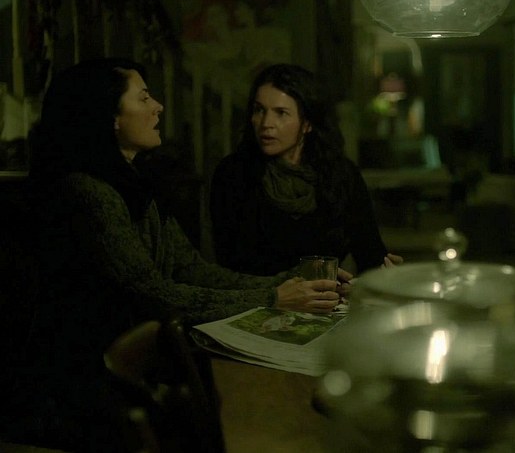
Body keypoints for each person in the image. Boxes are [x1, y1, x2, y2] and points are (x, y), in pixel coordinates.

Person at [0, 58, 347, 451]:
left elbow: (191, 269)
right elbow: (153, 294)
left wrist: (287, 284)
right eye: (144, 98)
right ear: (110, 117)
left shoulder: (133, 183)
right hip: (92, 389)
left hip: (138, 374)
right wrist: (273, 297)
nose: (158, 107)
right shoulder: (88, 193)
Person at [209, 63, 402, 277]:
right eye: (259, 110)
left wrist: (383, 272)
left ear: (307, 123)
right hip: (264, 296)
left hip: (329, 297)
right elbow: (232, 265)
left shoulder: (340, 175)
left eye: (281, 113)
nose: (266, 123)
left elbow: (370, 253)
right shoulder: (234, 175)